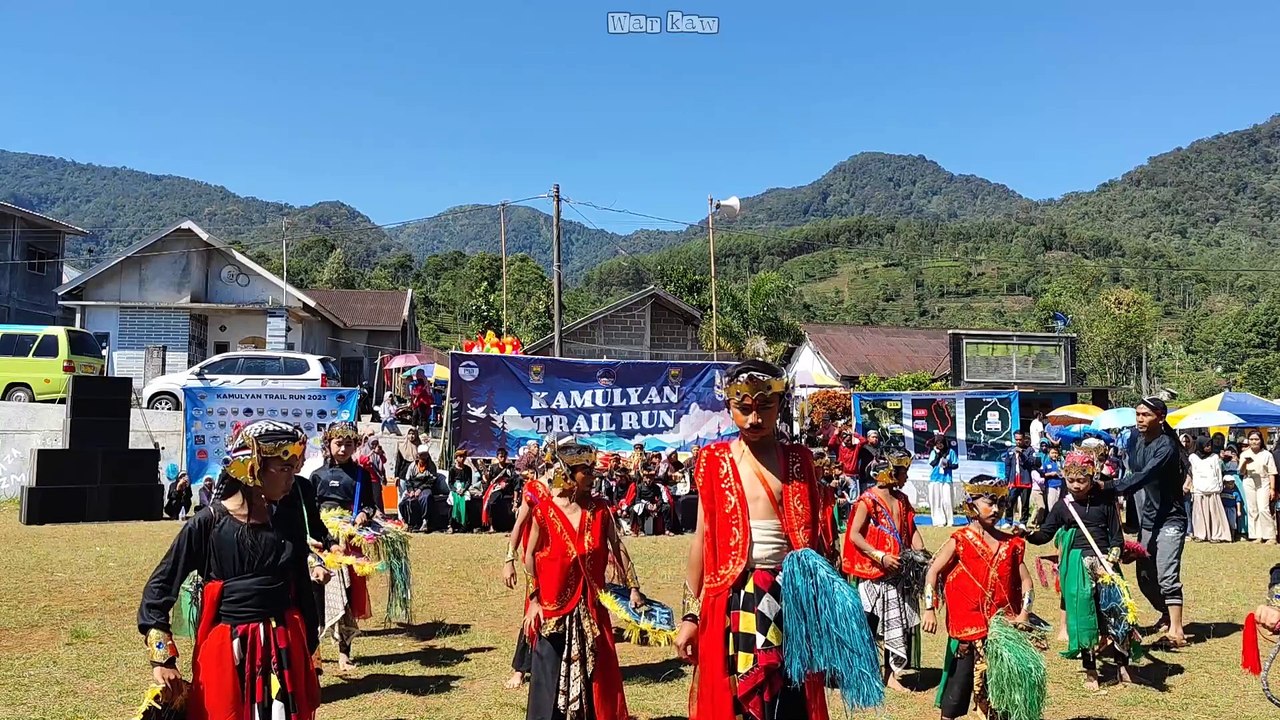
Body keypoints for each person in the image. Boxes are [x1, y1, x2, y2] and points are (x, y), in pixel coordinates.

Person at [675, 360, 849, 720]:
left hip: (791, 597)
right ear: (729, 407)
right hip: (734, 596)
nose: (754, 419)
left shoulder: (799, 462)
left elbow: (816, 545)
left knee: (789, 698)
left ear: (780, 405)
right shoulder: (713, 461)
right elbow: (703, 539)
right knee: (739, 699)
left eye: (764, 408)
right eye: (744, 409)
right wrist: (691, 615)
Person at [138, 420, 321, 719]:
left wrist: (309, 653)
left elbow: (301, 588)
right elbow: (159, 588)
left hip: (285, 650)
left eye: (295, 467)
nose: (293, 477)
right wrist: (163, 658)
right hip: (227, 653)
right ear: (252, 468)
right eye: (284, 468)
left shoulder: (287, 521)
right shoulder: (207, 524)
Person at [522, 437, 645, 720]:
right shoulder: (544, 511)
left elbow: (619, 548)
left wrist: (634, 588)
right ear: (568, 474)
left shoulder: (600, 510)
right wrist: (534, 600)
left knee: (597, 675)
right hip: (553, 606)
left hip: (591, 605)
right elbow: (529, 556)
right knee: (548, 673)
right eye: (586, 472)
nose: (592, 477)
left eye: (593, 471)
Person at [923, 475, 1037, 720]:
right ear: (971, 506)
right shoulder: (960, 540)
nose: (996, 509)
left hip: (1001, 632)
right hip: (967, 631)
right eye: (989, 502)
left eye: (1000, 503)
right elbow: (932, 571)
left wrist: (1024, 614)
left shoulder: (1011, 544)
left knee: (1001, 697)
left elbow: (1027, 583)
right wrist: (929, 609)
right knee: (955, 696)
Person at [1024, 450, 1135, 690]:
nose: (1075, 485)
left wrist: (1114, 554)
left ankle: (1122, 666)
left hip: (1105, 564)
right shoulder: (1063, 507)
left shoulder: (1105, 502)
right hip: (1077, 566)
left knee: (1117, 612)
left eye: (1081, 480)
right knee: (1083, 618)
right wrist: (1027, 534)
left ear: (1092, 476)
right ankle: (1091, 672)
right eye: (1070, 480)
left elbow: (1116, 536)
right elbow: (1045, 533)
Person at [1100, 397, 1189, 649]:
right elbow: (1128, 470)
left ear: (1160, 417)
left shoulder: (1166, 447)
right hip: (1149, 519)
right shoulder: (1134, 440)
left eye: (1145, 415)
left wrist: (1108, 487)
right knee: (1144, 576)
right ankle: (1165, 613)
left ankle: (1177, 632)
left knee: (1166, 574)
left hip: (1171, 520)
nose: (1139, 419)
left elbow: (1143, 475)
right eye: (1137, 414)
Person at [842, 449, 927, 692]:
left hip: (898, 573)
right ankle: (860, 672)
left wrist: (922, 554)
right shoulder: (867, 500)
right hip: (874, 574)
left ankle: (890, 674)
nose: (906, 478)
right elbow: (855, 535)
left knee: (897, 623)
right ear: (891, 473)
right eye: (904, 473)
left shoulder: (902, 500)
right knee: (867, 624)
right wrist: (880, 556)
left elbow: (911, 531)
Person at [310, 421, 379, 672]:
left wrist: (364, 514)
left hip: (348, 543)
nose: (343, 448)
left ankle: (343, 652)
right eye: (338, 443)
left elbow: (371, 505)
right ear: (328, 444)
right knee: (317, 597)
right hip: (321, 543)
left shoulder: (361, 475)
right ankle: (313, 654)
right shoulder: (316, 476)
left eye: (348, 444)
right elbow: (310, 510)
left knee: (346, 598)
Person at [1188, 435, 1232, 543]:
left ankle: (1216, 534)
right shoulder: (1193, 457)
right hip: (1199, 488)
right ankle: (1200, 534)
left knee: (1214, 514)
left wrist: (1219, 487)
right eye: (1206, 445)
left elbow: (1218, 473)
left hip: (1212, 488)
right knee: (1199, 514)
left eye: (1209, 445)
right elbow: (1192, 472)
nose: (1208, 447)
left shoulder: (1214, 457)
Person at [1240, 430, 1278, 544]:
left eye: (1256, 439)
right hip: (1249, 480)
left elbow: (1272, 472)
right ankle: (1257, 535)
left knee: (1263, 508)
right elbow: (1241, 472)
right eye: (1251, 439)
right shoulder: (1244, 454)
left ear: (1261, 440)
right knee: (1252, 509)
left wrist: (1272, 488)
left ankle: (1270, 536)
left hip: (1263, 481)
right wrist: (1244, 463)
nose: (1254, 442)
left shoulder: (1267, 454)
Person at [624, 463, 675, 536]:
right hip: (643, 505)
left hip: (653, 505)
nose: (649, 479)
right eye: (647, 477)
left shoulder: (656, 487)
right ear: (643, 477)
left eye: (651, 477)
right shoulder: (639, 487)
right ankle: (641, 530)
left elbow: (660, 499)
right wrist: (646, 506)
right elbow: (637, 500)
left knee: (667, 507)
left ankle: (667, 529)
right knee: (637, 508)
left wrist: (656, 505)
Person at [1003, 431, 1039, 524]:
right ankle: (1008, 521)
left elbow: (1032, 463)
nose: (1018, 442)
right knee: (1010, 501)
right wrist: (1007, 478)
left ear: (1024, 439)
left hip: (1025, 481)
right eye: (1016, 439)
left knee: (1024, 504)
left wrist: (1022, 453)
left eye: (1020, 439)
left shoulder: (1030, 450)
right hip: (1013, 480)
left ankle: (1023, 522)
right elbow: (1007, 465)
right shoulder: (1010, 450)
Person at [400, 444, 437, 532]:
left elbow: (432, 480)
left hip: (426, 487)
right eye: (422, 455)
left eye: (425, 455)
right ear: (418, 455)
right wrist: (411, 490)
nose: (424, 457)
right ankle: (409, 523)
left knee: (425, 498)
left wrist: (420, 489)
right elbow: (408, 480)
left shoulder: (431, 466)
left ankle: (425, 521)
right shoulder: (412, 466)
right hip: (413, 487)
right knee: (404, 502)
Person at [482, 448, 518, 533]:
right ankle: (491, 526)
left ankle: (512, 526)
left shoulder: (510, 467)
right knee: (491, 503)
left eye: (504, 456)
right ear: (497, 457)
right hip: (496, 488)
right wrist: (485, 473)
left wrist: (506, 483)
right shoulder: (493, 467)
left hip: (508, 489)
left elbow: (514, 478)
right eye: (501, 456)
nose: (503, 458)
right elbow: (489, 479)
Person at [927, 433, 957, 527]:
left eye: (941, 443)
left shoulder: (951, 452)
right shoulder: (933, 452)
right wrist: (938, 455)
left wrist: (948, 465)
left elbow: (956, 464)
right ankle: (939, 521)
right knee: (936, 501)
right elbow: (932, 463)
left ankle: (950, 521)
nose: (939, 445)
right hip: (935, 478)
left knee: (947, 500)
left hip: (946, 479)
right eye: (937, 443)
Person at [448, 449, 478, 533]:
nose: (462, 458)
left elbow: (469, 481)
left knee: (467, 501)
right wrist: (455, 490)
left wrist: (464, 489)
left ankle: (466, 524)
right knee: (453, 502)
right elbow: (450, 483)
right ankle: (451, 525)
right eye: (460, 456)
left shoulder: (467, 469)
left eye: (464, 457)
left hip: (464, 488)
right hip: (455, 489)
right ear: (456, 458)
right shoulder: (452, 469)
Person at [1040, 446, 1064, 512]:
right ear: (1049, 454)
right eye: (1052, 453)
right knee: (1051, 505)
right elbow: (1042, 474)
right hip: (1051, 486)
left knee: (1059, 504)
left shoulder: (1060, 463)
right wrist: (1050, 474)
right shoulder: (1046, 463)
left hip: (1060, 486)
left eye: (1056, 453)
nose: (1054, 455)